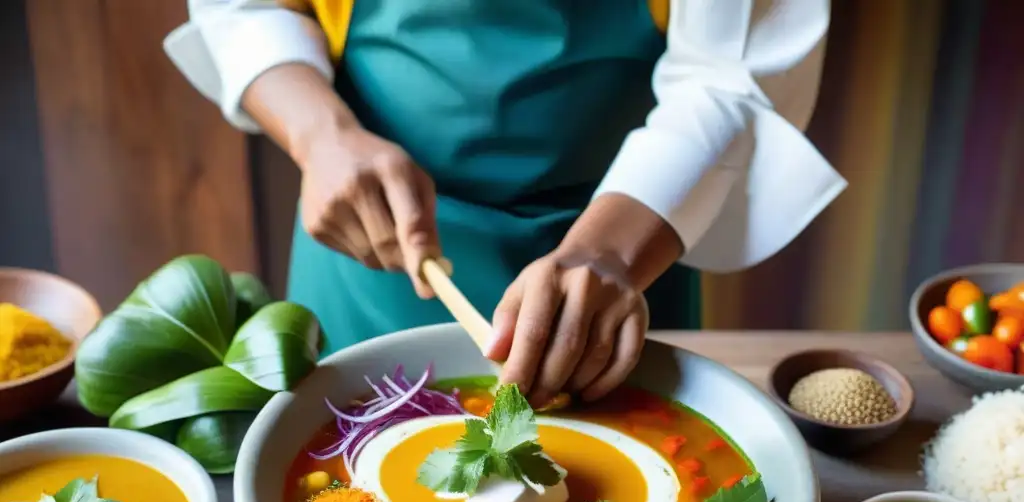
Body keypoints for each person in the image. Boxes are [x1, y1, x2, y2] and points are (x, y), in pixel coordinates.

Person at [166, 0, 845, 406]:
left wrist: (605, 252)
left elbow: (732, 77)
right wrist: (320, 135)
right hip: (366, 243)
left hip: (625, 233)